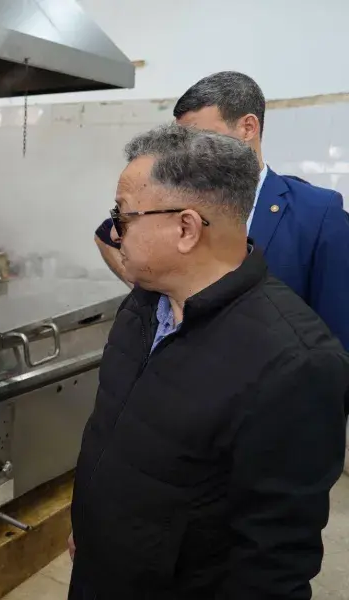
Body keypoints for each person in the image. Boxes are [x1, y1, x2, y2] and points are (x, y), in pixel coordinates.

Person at [69, 123, 349, 599]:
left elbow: (273, 562)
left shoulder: (294, 363)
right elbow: (112, 433)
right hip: (101, 568)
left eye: (124, 216)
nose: (114, 232)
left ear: (186, 228)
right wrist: (91, 523)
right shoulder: (144, 304)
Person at [94, 71, 349, 349]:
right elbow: (107, 234)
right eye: (182, 141)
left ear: (248, 128)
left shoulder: (316, 214)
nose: (188, 153)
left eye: (202, 138)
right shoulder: (173, 204)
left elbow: (338, 333)